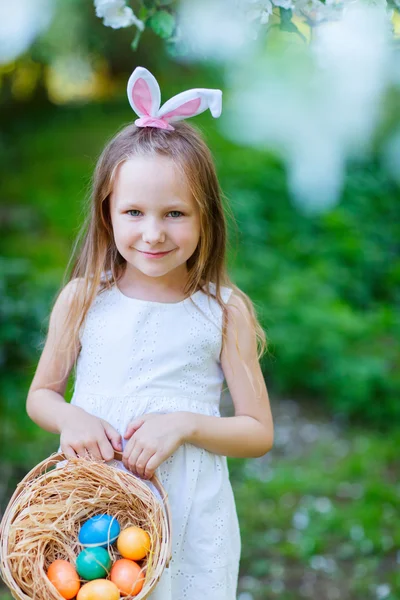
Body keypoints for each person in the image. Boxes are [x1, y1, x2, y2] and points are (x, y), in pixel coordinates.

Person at [26, 67, 274, 599]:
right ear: (107, 214)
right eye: (134, 211)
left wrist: (185, 424)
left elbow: (258, 431)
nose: (154, 232)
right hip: (95, 510)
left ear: (205, 217)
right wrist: (70, 415)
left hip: (190, 516)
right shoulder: (83, 299)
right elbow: (41, 395)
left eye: (176, 213)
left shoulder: (223, 312)